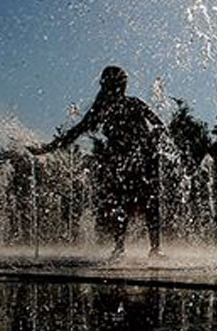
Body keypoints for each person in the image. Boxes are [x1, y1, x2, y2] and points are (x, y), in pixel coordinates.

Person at [30, 66, 164, 259]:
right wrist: (48, 148)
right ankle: (127, 248)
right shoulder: (102, 109)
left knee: (143, 203)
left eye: (124, 82)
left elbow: (159, 125)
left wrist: (152, 138)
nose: (124, 86)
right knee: (127, 203)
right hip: (122, 163)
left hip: (140, 160)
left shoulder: (134, 104)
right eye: (121, 82)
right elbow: (76, 131)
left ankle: (147, 249)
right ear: (112, 84)